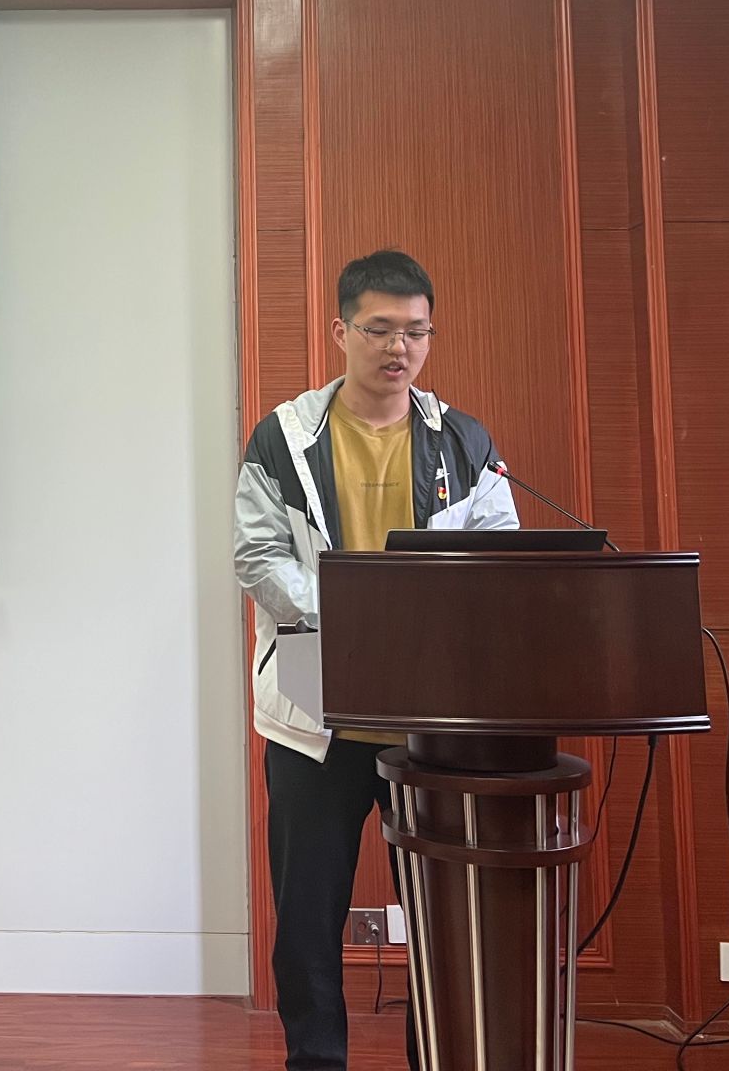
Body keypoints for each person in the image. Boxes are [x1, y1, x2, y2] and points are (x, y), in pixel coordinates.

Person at [233, 249, 518, 1071]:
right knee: (308, 919)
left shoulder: (461, 440)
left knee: (442, 917)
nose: (400, 348)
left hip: (430, 721)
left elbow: (500, 553)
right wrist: (358, 618)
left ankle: (441, 1056)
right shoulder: (285, 439)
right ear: (341, 332)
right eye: (380, 329)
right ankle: (315, 1060)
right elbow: (258, 558)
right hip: (313, 716)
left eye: (416, 332)